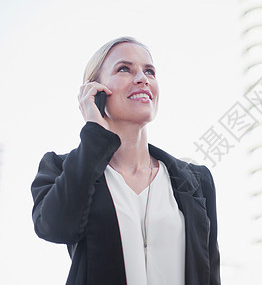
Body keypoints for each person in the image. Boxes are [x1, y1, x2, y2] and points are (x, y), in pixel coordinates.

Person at [31, 36, 220, 285]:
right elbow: (56, 228)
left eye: (149, 71)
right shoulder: (60, 169)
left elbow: (210, 274)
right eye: (124, 69)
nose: (142, 78)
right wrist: (94, 134)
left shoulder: (196, 180)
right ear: (93, 91)